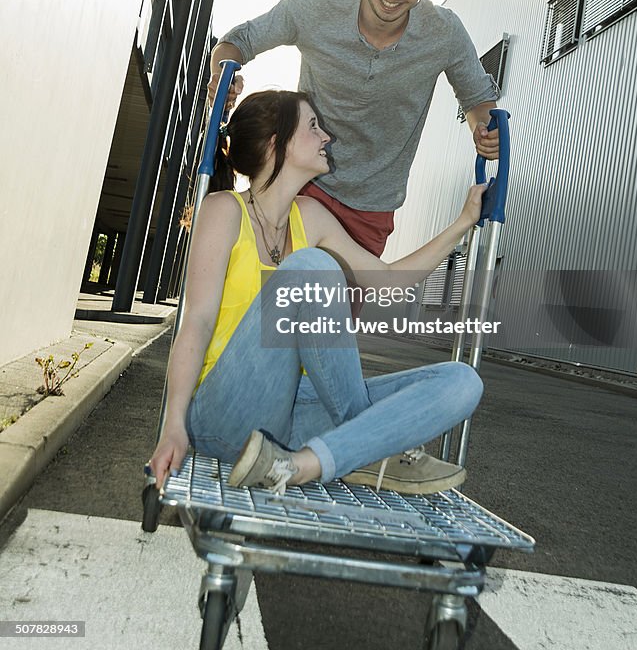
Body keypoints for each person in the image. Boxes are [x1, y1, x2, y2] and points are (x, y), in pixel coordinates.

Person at [149, 90, 486, 498]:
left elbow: (390, 282)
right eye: (313, 126)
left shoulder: (310, 217)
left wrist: (463, 222)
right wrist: (173, 426)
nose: (326, 136)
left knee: (462, 381)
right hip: (225, 412)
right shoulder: (224, 210)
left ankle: (304, 464)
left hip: (287, 425)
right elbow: (196, 324)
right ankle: (367, 447)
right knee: (313, 268)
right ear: (277, 143)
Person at [209, 0, 500, 257]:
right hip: (301, 182)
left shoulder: (443, 32)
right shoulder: (317, 5)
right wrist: (224, 74)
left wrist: (482, 131)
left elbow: (477, 98)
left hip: (371, 206)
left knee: (337, 308)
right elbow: (239, 41)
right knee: (275, 298)